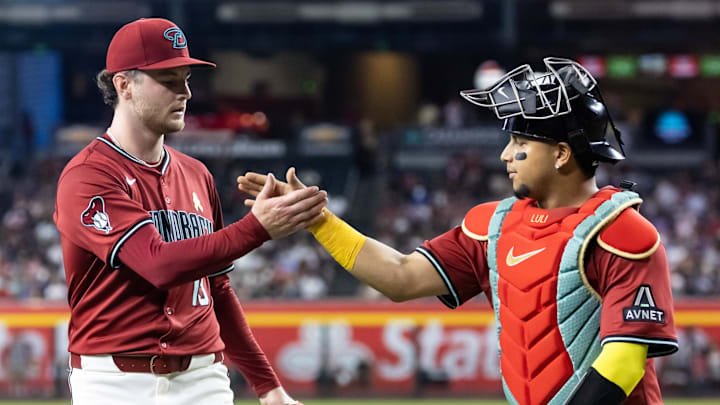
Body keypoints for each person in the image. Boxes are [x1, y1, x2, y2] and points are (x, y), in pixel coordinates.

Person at [238, 57, 678, 405]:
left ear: (562, 154)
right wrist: (318, 220)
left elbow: (623, 362)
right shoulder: (493, 225)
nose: (506, 154)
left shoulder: (622, 234)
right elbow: (401, 277)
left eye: (521, 144)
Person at [54, 18, 327, 405]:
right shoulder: (89, 175)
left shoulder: (197, 174)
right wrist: (257, 228)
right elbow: (157, 265)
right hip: (114, 383)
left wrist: (268, 387)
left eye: (186, 79)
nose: (184, 93)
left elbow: (217, 287)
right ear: (123, 85)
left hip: (204, 378)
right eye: (168, 81)